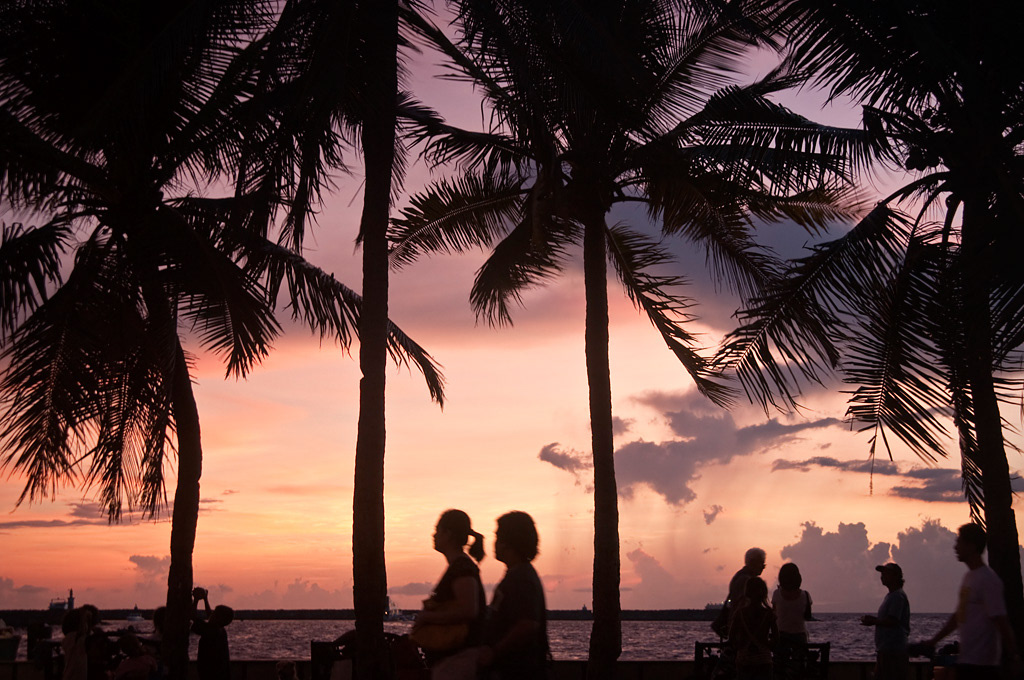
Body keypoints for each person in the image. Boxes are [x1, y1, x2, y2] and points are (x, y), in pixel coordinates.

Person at [924, 523, 1019, 680]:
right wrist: (933, 641)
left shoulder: (988, 580)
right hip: (967, 661)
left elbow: (1001, 621)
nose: (955, 547)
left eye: (959, 542)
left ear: (972, 546)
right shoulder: (969, 577)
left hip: (983, 666)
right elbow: (958, 617)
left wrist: (1014, 657)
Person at [412, 509, 487, 679]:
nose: (434, 535)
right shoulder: (459, 567)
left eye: (437, 530)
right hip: (452, 660)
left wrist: (426, 618)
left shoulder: (462, 569)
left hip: (458, 661)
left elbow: (469, 610)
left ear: (448, 534)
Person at [478, 511, 550, 680]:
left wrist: (494, 652)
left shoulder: (521, 578)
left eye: (497, 537)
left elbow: (528, 624)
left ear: (507, 542)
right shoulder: (518, 575)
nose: (494, 543)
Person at [861, 563, 910, 680]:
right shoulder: (891, 596)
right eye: (882, 574)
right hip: (887, 650)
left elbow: (892, 621)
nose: (882, 576)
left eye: (886, 573)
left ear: (895, 576)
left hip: (893, 652)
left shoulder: (897, 596)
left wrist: (873, 621)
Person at [729, 576, 778, 680]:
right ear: (764, 593)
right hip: (763, 660)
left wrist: (741, 645)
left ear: (747, 592)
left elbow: (732, 637)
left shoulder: (740, 614)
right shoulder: (768, 614)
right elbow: (776, 638)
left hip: (744, 659)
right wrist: (766, 644)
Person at [714, 547, 767, 637]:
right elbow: (743, 604)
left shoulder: (740, 576)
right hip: (742, 628)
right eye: (761, 563)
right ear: (753, 562)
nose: (763, 567)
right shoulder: (746, 580)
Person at [191, 587, 234, 680]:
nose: (212, 614)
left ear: (218, 618)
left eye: (215, 613)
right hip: (220, 673)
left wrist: (196, 600)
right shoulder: (220, 631)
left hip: (211, 674)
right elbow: (209, 615)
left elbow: (193, 617)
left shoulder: (210, 631)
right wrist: (205, 599)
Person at [772, 562, 812, 646]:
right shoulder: (805, 595)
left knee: (780, 658)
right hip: (800, 635)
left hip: (781, 635)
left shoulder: (776, 594)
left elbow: (774, 614)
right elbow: (808, 616)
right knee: (800, 658)